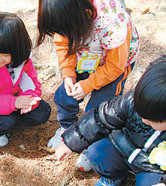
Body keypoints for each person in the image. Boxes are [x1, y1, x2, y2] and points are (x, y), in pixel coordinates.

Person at [36, 0, 139, 154]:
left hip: (116, 65)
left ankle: (92, 143)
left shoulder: (111, 25)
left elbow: (114, 67)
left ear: (86, 15)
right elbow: (63, 45)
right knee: (64, 96)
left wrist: (87, 86)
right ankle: (67, 130)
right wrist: (68, 73)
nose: (63, 35)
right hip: (87, 56)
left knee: (99, 109)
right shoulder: (66, 15)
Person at [54, 56, 166, 186]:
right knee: (96, 152)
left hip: (153, 168)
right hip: (125, 146)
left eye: (151, 120)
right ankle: (112, 178)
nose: (143, 119)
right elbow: (100, 117)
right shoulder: (133, 101)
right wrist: (70, 143)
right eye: (140, 112)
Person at [0, 12, 51, 147]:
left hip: (17, 100)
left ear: (17, 50)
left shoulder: (23, 61)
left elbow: (32, 82)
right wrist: (14, 103)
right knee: (5, 121)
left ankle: (14, 117)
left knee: (42, 112)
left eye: (6, 55)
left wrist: (29, 98)